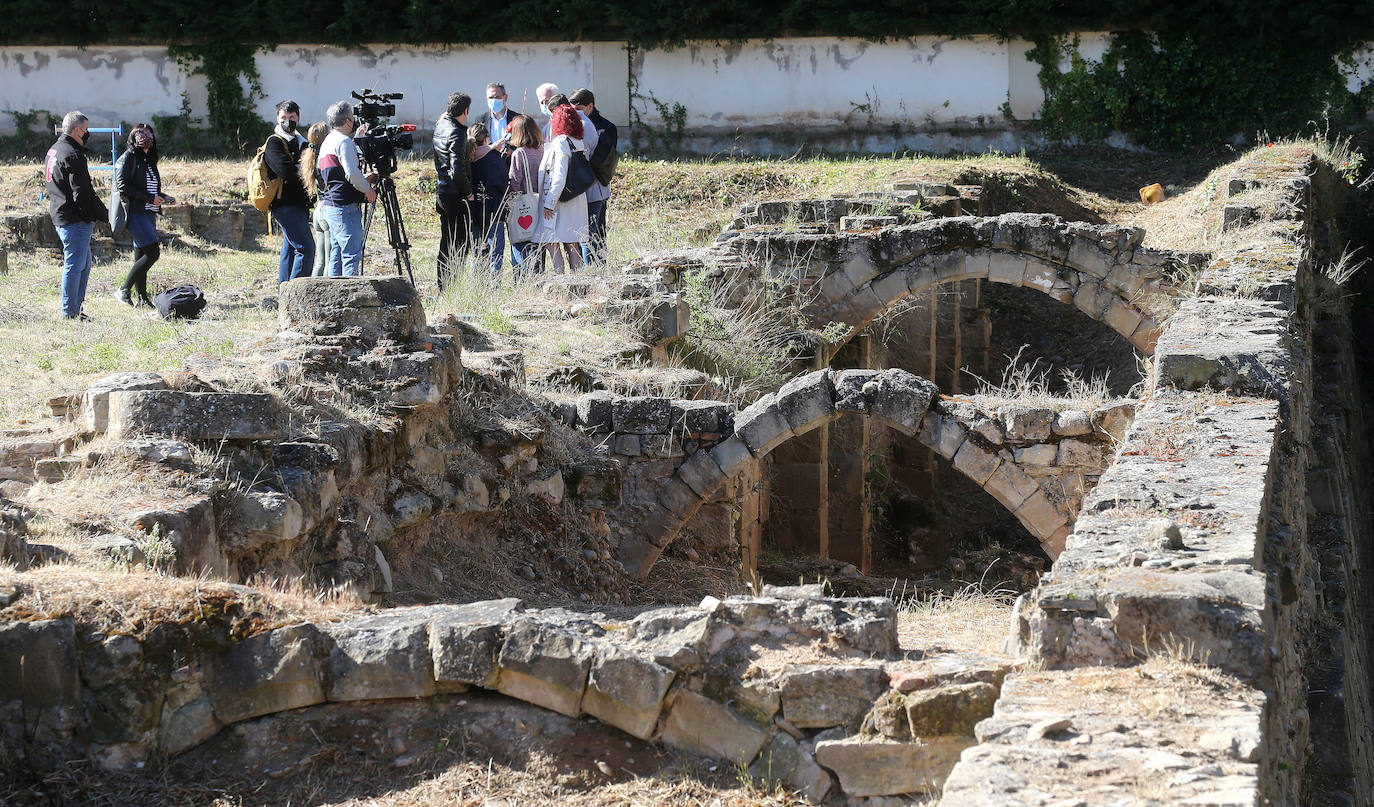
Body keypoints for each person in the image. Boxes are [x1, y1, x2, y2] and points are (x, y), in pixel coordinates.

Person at [45, 111, 108, 321]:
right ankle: (70, 312)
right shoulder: (72, 154)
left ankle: (76, 308)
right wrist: (95, 215)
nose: (88, 134)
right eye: (86, 130)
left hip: (60, 212)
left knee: (84, 264)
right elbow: (81, 193)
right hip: (74, 219)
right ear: (77, 130)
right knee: (74, 266)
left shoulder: (54, 149)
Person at [113, 123, 175, 307]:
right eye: (141, 133)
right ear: (133, 137)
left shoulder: (149, 160)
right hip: (136, 212)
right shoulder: (128, 157)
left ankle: (142, 298)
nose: (146, 136)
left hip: (149, 212)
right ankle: (123, 289)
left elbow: (148, 187)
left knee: (141, 255)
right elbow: (122, 186)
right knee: (152, 252)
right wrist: (149, 197)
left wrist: (163, 197)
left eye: (149, 133)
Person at [318, 100, 377, 278]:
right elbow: (351, 173)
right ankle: (352, 299)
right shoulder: (343, 142)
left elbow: (337, 176)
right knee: (351, 255)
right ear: (347, 121)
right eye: (353, 117)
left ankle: (334, 297)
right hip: (345, 207)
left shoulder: (328, 140)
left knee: (336, 255)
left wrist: (363, 179)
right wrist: (367, 189)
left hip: (331, 205)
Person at [263, 100, 314, 284]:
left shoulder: (302, 142)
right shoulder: (274, 143)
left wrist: (300, 167)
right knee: (306, 249)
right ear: (277, 118)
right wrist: (304, 168)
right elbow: (285, 171)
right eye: (283, 117)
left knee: (290, 249)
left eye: (291, 117)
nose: (288, 121)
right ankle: (295, 296)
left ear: (298, 118)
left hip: (299, 203)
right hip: (284, 205)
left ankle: (283, 291)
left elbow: (305, 169)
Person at [536, 105, 590, 273]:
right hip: (577, 198)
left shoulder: (560, 142)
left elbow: (559, 175)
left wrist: (549, 203)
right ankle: (577, 281)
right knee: (572, 243)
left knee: (551, 241)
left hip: (560, 200)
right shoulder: (578, 141)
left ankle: (560, 281)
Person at [570, 88, 618, 265]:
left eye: (580, 107)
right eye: (572, 107)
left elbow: (605, 159)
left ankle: (599, 265)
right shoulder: (573, 124)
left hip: (598, 184)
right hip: (579, 186)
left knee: (597, 229)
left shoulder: (606, 127)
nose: (576, 111)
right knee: (583, 231)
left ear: (590, 106)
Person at [433, 92, 475, 290]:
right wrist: (468, 192)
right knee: (459, 244)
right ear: (465, 111)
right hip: (456, 195)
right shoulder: (457, 132)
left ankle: (443, 286)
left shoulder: (441, 125)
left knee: (446, 242)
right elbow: (457, 168)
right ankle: (452, 287)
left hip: (442, 192)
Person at [468, 123, 511, 273]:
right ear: (487, 139)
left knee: (477, 253)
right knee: (495, 255)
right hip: (494, 211)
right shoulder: (493, 158)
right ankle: (493, 289)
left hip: (474, 212)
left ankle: (475, 286)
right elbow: (503, 184)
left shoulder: (467, 158)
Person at [506, 114, 545, 271]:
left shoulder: (519, 154)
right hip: (541, 204)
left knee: (520, 242)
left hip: (523, 205)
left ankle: (523, 281)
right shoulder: (542, 150)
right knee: (538, 245)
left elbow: (515, 182)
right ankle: (539, 276)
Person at [299, 121, 334, 277]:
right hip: (328, 210)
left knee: (320, 262)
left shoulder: (311, 156)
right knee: (329, 261)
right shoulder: (326, 158)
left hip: (318, 211)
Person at [474, 83, 514, 155]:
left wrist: (511, 152)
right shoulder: (480, 120)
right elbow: (475, 147)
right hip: (488, 164)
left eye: (496, 97)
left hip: (510, 164)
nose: (493, 100)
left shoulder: (516, 119)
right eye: (490, 98)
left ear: (505, 97)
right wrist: (491, 147)